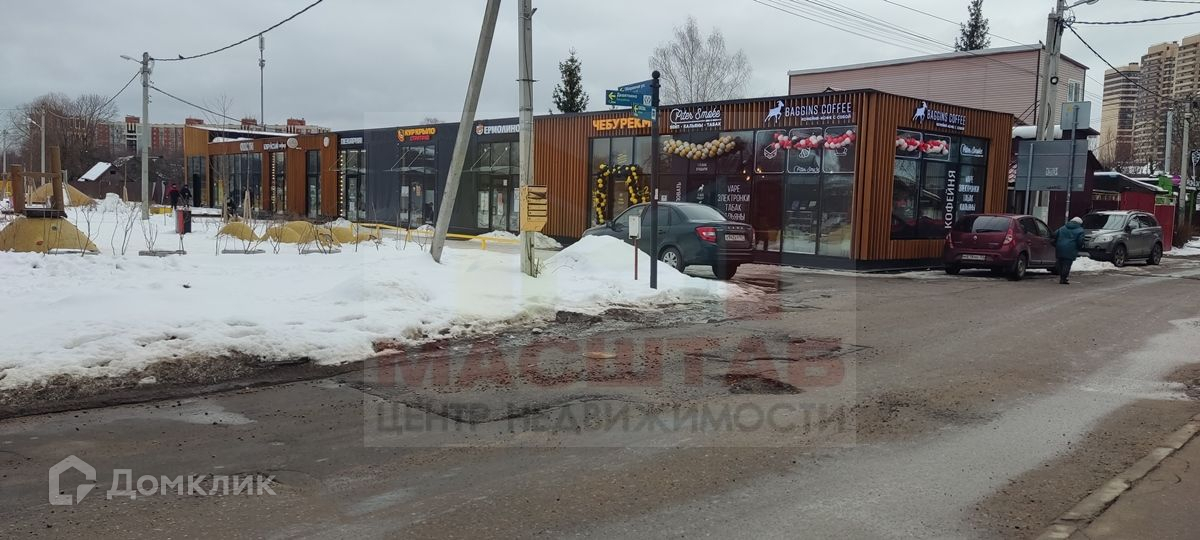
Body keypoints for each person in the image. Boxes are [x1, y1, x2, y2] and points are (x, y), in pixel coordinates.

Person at [1054, 216, 1086, 285]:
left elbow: (1055, 235)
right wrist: (1080, 247)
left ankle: (1062, 276)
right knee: (1067, 264)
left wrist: (1055, 244)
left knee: (1060, 262)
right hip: (1071, 249)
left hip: (1059, 247)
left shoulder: (1062, 228)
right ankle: (1063, 279)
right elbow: (1080, 241)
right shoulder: (1080, 230)